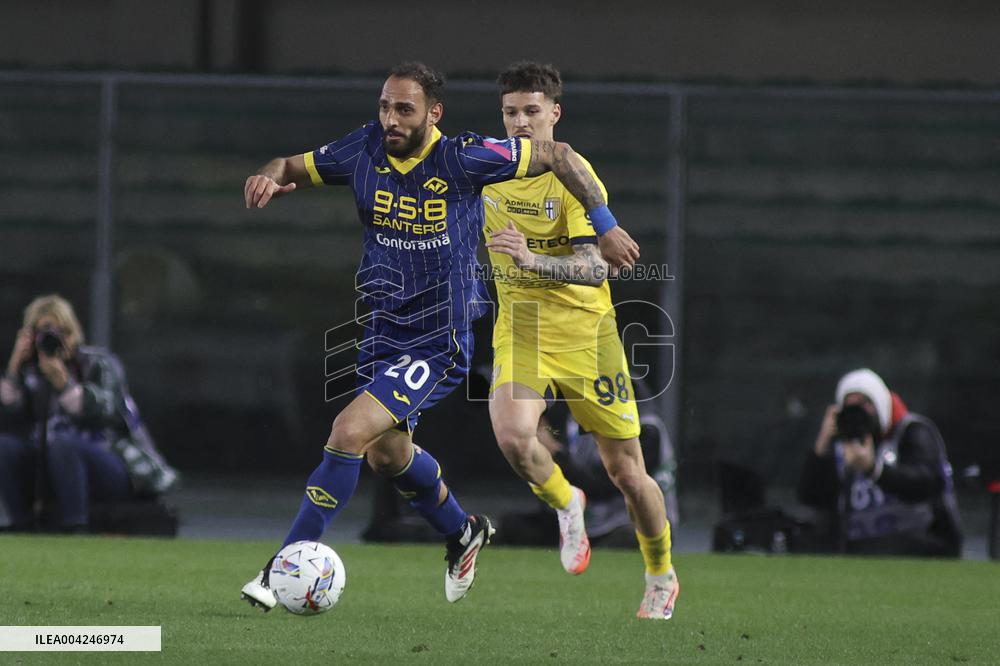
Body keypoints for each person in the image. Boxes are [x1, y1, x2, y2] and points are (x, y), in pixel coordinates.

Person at [239, 61, 639, 610]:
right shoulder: (363, 151)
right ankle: (463, 532)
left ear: (434, 113)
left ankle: (281, 565)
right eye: (385, 106)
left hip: (437, 337)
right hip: (383, 330)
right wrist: (268, 175)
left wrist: (606, 222)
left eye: (404, 109)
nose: (391, 119)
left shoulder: (464, 157)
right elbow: (289, 164)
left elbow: (560, 155)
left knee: (349, 430)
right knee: (385, 453)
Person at [482, 62, 677, 620]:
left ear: (555, 114)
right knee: (514, 436)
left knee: (628, 473)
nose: (520, 123)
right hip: (522, 328)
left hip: (588, 335)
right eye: (511, 112)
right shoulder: (488, 168)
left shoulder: (572, 177)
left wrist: (529, 258)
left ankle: (660, 571)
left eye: (532, 112)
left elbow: (595, 270)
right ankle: (568, 503)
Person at [0, 295, 178, 532]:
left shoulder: (99, 363)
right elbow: (9, 407)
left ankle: (76, 525)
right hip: (51, 466)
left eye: (62, 331)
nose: (56, 339)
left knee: (63, 444)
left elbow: (103, 411)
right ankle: (21, 523)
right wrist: (14, 364)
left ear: (73, 331)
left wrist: (62, 382)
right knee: (5, 446)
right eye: (45, 333)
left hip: (108, 464)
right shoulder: (32, 369)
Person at [798, 368, 962, 557]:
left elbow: (928, 481)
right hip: (860, 545)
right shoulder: (842, 445)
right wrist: (822, 445)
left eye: (866, 403)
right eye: (851, 406)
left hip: (920, 541)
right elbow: (811, 498)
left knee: (886, 548)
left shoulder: (911, 432)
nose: (860, 412)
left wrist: (874, 470)